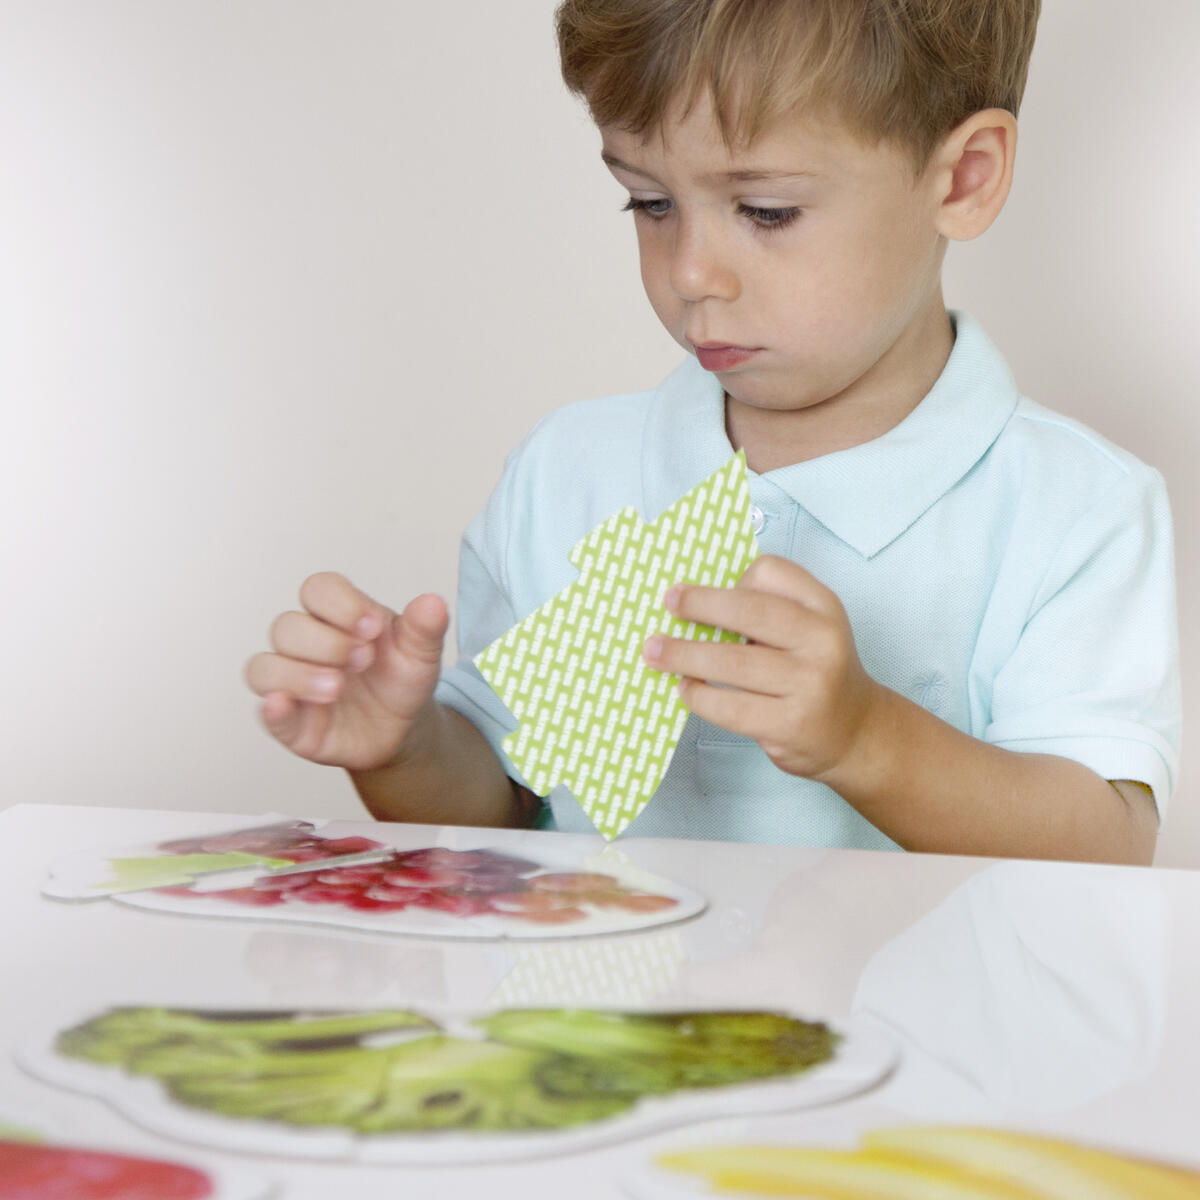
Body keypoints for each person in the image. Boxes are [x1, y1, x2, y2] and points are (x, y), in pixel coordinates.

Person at [245, 0, 1179, 865]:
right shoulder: (568, 474)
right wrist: (403, 749)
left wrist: (868, 739)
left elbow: (1108, 852)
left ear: (965, 178)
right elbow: (504, 814)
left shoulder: (1075, 508)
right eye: (650, 202)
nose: (690, 272)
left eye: (766, 211)